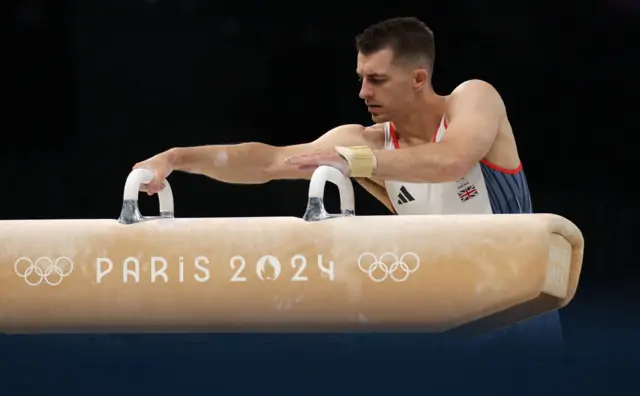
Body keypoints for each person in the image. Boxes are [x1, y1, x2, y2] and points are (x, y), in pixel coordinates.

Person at [133, 17, 563, 351]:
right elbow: (266, 161)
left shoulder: (472, 99)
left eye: (376, 79)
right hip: (447, 322)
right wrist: (176, 158)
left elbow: (451, 160)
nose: (362, 92)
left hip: (519, 314)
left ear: (418, 78)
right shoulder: (366, 141)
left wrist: (354, 160)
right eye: (361, 77)